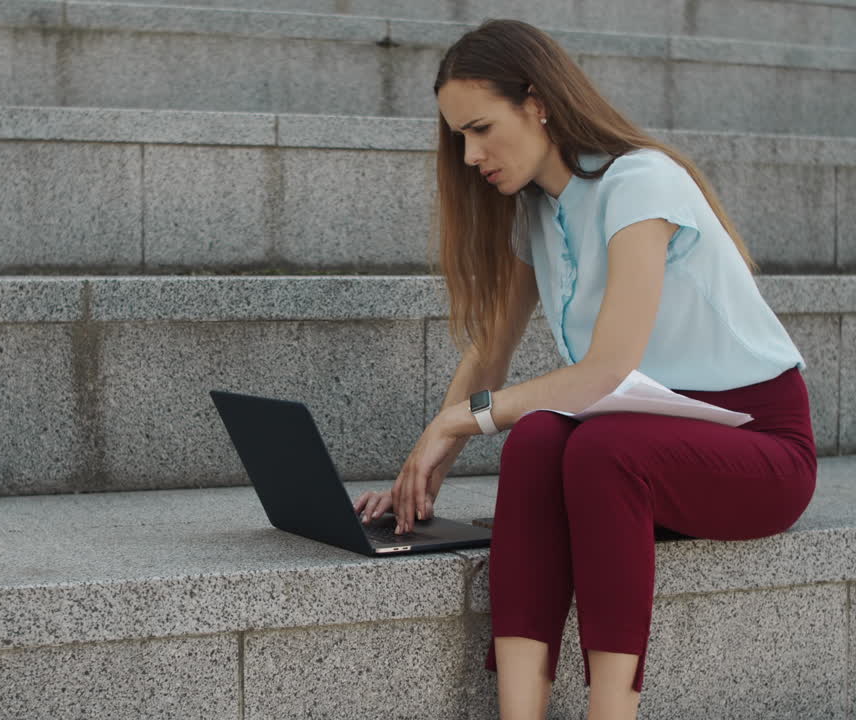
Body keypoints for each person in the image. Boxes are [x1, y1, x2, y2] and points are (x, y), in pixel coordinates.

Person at [350, 18, 818, 720]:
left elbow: (607, 369)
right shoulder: (536, 211)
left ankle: (611, 712)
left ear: (535, 101)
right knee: (540, 439)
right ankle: (519, 708)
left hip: (759, 449)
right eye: (459, 138)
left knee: (598, 446)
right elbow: (492, 349)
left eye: (481, 128)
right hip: (643, 445)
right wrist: (429, 464)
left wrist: (462, 418)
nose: (471, 154)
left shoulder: (640, 182)